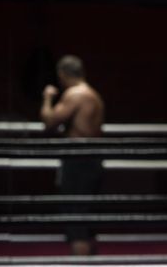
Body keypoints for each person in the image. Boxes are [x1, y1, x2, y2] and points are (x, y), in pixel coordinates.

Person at [40, 55, 105, 255]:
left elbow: (49, 121)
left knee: (76, 219)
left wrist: (48, 97)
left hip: (78, 160)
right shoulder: (94, 95)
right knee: (86, 218)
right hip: (92, 158)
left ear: (62, 74)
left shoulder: (75, 94)